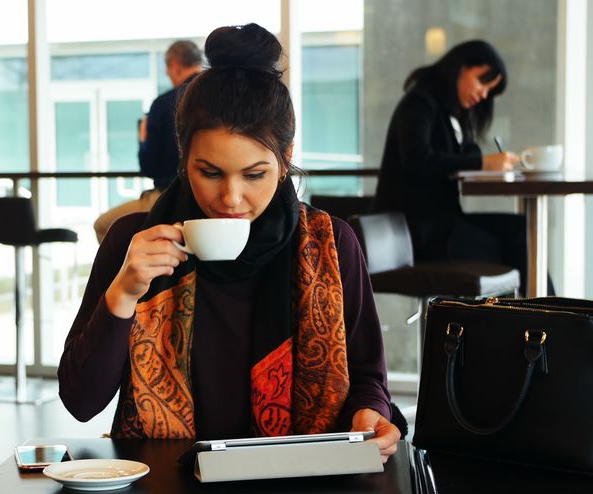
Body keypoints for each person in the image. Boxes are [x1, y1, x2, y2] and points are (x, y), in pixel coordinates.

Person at [60, 24, 401, 463]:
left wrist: (372, 415)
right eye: (211, 172)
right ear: (183, 157)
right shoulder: (133, 242)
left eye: (254, 174)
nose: (231, 198)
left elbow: (368, 378)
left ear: (286, 159)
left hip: (300, 483)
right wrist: (123, 293)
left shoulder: (331, 244)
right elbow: (80, 402)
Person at [372, 40, 535, 292]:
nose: (483, 95)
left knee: (521, 230)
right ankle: (551, 321)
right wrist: (482, 162)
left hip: (442, 223)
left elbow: (460, 153)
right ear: (461, 67)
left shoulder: (451, 113)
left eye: (489, 91)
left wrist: (475, 155)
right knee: (513, 247)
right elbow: (416, 160)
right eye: (482, 82)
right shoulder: (419, 103)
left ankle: (552, 317)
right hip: (414, 232)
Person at [93, 40, 203, 243]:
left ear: (174, 66)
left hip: (170, 196)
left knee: (102, 225)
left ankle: (132, 273)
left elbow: (150, 167)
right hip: (208, 197)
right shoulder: (218, 95)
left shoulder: (165, 104)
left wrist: (143, 140)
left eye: (168, 70)